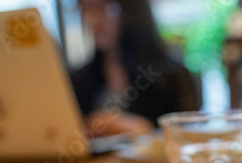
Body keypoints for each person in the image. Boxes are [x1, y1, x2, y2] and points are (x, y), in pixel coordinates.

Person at [71, 0, 200, 137]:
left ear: (131, 11)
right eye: (85, 10)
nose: (92, 21)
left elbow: (188, 137)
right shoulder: (80, 78)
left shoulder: (173, 74)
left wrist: (143, 130)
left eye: (103, 9)